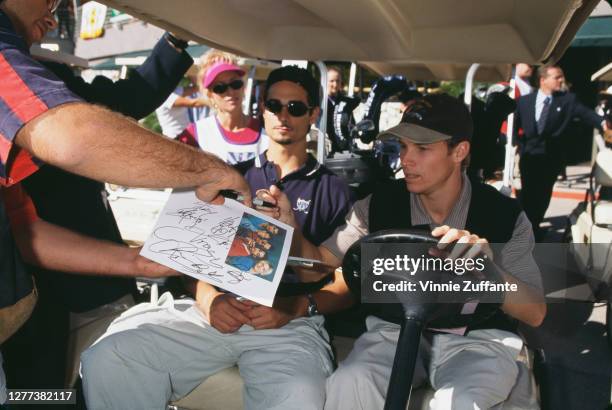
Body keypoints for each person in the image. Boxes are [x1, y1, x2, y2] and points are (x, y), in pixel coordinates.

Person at [0, 0, 250, 401]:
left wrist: (137, 262)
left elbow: (23, 227)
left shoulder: (45, 72)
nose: (53, 11)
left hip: (64, 284)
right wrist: (205, 169)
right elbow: (71, 134)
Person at [80, 66, 353, 410]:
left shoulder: (336, 191)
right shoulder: (230, 178)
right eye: (274, 105)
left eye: (296, 108)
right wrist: (211, 302)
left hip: (288, 321)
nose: (283, 116)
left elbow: (342, 286)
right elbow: (189, 263)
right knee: (107, 358)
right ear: (262, 110)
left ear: (313, 113)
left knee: (298, 395)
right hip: (218, 310)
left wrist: (292, 242)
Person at [259, 93, 547, 409]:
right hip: (393, 333)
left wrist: (490, 270)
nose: (406, 159)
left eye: (422, 149)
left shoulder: (503, 215)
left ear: (459, 151)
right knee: (350, 380)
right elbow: (316, 266)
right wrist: (291, 229)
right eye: (404, 147)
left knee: (463, 402)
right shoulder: (378, 205)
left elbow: (534, 312)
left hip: (476, 341)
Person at [2, 31, 195, 395]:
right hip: (39, 293)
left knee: (77, 384)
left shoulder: (65, 99)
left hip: (83, 282)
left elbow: (128, 99)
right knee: (41, 389)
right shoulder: (46, 101)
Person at [515, 64, 606, 240]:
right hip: (529, 156)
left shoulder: (568, 100)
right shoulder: (524, 101)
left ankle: (532, 227)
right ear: (543, 80)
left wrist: (603, 123)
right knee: (527, 192)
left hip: (551, 158)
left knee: (542, 194)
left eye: (561, 77)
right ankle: (526, 228)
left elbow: (587, 114)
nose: (561, 80)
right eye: (557, 77)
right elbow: (514, 126)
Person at [177, 49, 268, 164]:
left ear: (243, 87)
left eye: (235, 84)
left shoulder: (266, 131)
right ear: (209, 95)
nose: (230, 92)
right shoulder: (195, 134)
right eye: (219, 87)